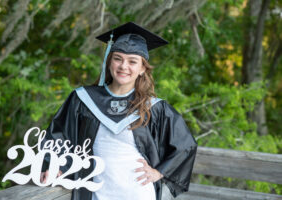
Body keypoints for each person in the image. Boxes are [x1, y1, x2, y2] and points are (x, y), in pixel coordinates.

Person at [40, 22, 197, 200]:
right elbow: (58, 137)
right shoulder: (83, 99)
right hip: (94, 190)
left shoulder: (154, 107)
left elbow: (185, 145)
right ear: (109, 61)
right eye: (118, 58)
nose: (123, 66)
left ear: (142, 69)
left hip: (137, 192)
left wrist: (158, 172)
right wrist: (54, 167)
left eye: (132, 61)